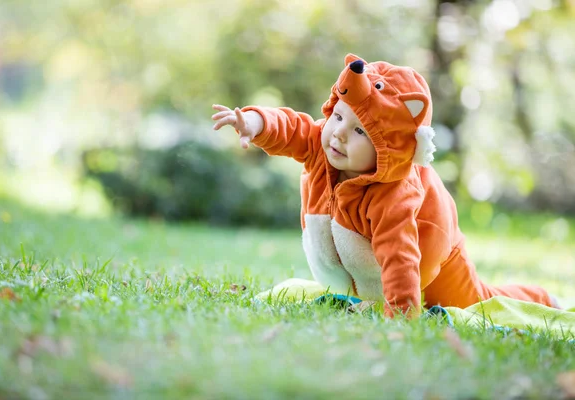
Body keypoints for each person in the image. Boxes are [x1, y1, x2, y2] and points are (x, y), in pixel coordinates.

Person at [211, 53, 558, 318]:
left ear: (385, 148)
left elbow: (401, 261)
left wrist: (401, 318)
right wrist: (254, 122)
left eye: (361, 131)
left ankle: (542, 299)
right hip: (366, 268)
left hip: (436, 254)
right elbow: (291, 127)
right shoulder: (323, 144)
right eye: (339, 116)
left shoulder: (393, 196)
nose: (339, 134)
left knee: (475, 303)